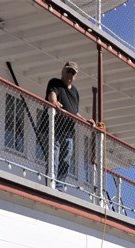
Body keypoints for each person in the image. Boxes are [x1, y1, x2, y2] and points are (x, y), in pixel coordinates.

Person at [45, 61, 94, 189]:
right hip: (54, 128)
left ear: (75, 76)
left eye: (73, 73)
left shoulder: (75, 92)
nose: (70, 75)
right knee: (54, 157)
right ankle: (51, 183)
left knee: (66, 160)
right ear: (63, 71)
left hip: (68, 132)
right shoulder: (55, 83)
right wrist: (54, 102)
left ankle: (59, 186)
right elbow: (52, 95)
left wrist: (85, 120)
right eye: (68, 71)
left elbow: (74, 111)